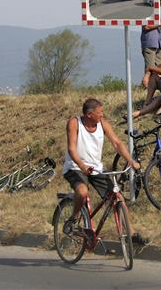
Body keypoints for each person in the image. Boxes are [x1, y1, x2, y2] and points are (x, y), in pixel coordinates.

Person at [62, 98, 147, 244]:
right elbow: (71, 148)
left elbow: (117, 143)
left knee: (117, 197)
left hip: (96, 168)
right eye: (99, 112)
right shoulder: (74, 123)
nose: (102, 115)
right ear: (89, 114)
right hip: (76, 167)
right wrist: (82, 166)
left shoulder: (103, 124)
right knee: (82, 192)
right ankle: (74, 219)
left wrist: (131, 161)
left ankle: (131, 234)